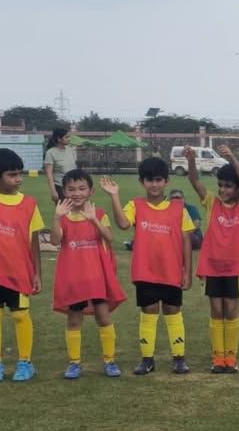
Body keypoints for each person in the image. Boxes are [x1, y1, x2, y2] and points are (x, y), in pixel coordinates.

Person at [102, 158, 194, 375]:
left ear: (167, 181)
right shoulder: (136, 205)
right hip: (145, 271)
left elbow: (186, 241)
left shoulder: (178, 208)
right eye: (149, 180)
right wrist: (114, 196)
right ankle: (147, 359)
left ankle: (179, 358)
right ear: (142, 182)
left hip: (171, 271)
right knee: (149, 312)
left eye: (158, 180)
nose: (154, 185)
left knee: (173, 311)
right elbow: (123, 224)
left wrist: (187, 272)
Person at [185, 144, 239, 373]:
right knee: (216, 310)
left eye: (228, 186)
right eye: (221, 185)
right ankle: (218, 358)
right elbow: (195, 182)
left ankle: (231, 358)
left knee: (231, 310)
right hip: (213, 267)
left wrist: (232, 158)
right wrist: (191, 161)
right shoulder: (211, 203)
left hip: (234, 268)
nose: (223, 190)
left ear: (237, 189)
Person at [50, 169, 126, 379]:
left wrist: (93, 220)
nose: (77, 193)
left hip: (97, 278)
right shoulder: (63, 216)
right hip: (74, 279)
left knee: (103, 317)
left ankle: (110, 361)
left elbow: (109, 237)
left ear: (91, 192)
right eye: (71, 189)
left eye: (82, 188)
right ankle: (74, 363)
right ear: (64, 192)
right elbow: (55, 241)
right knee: (74, 320)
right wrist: (56, 217)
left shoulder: (99, 213)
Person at [0, 148, 43, 382]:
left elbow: (34, 241)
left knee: (20, 316)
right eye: (12, 175)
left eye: (20, 174)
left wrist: (37, 273)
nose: (18, 179)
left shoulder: (29, 203)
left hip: (19, 272)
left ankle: (25, 362)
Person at [44, 128, 77, 204]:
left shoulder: (70, 150)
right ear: (59, 139)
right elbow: (49, 174)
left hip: (73, 186)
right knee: (64, 210)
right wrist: (53, 191)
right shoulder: (50, 153)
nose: (69, 139)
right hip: (60, 187)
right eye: (66, 137)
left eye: (69, 137)